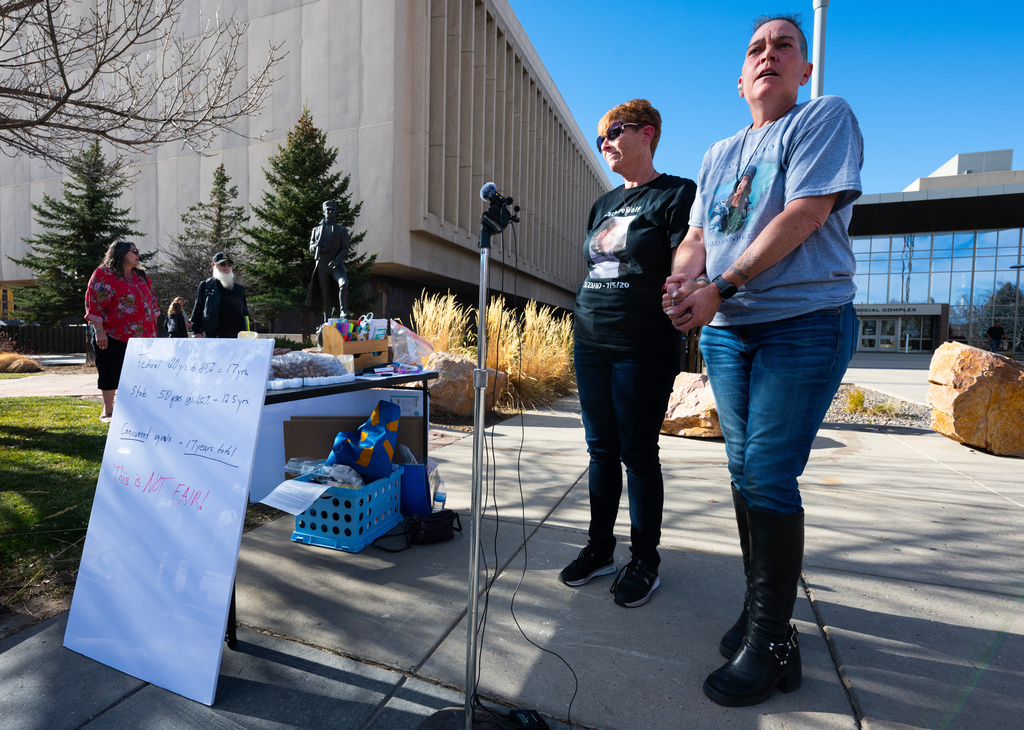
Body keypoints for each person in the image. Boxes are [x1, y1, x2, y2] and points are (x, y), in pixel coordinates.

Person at [662, 15, 863, 706]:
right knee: (745, 473)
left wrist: (722, 284)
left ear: (804, 71)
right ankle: (760, 615)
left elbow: (805, 214)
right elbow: (695, 238)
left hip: (803, 322)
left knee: (770, 475)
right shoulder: (719, 153)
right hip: (730, 329)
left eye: (785, 46)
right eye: (756, 49)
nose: (769, 55)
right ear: (740, 79)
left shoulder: (822, 119)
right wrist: (684, 280)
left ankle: (773, 641)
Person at [559, 99, 696, 608]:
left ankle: (645, 559)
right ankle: (600, 548)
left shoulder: (677, 194)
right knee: (600, 450)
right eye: (600, 138)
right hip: (591, 340)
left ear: (649, 134)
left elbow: (688, 256)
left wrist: (691, 290)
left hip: (644, 344)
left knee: (638, 454)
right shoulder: (603, 204)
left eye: (615, 131)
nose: (606, 143)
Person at [84, 240, 160, 422]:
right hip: (112, 334)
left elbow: (152, 301)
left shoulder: (140, 275)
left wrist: (154, 325)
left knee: (139, 374)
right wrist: (99, 331)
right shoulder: (103, 274)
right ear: (121, 253)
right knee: (110, 371)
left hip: (143, 337)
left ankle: (134, 409)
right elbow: (93, 302)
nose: (137, 254)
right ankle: (108, 410)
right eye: (133, 251)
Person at [307, 200, 350, 322]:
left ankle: (343, 309)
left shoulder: (341, 230)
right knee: (325, 295)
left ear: (335, 212)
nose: (330, 212)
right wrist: (314, 247)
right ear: (324, 212)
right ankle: (327, 320)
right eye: (328, 210)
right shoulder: (316, 230)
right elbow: (310, 247)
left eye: (332, 210)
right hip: (322, 263)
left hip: (335, 264)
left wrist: (337, 261)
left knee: (344, 283)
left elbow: (345, 248)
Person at [191, 252, 250, 339]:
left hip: (234, 336)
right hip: (212, 335)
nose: (226, 267)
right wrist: (196, 331)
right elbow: (198, 309)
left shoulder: (239, 289)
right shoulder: (205, 285)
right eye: (222, 264)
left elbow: (245, 314)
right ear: (213, 265)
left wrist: (247, 333)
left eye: (229, 264)